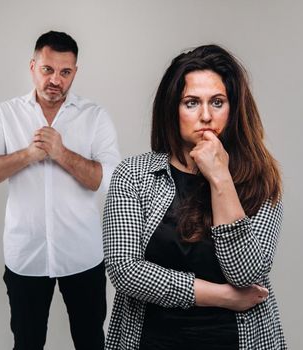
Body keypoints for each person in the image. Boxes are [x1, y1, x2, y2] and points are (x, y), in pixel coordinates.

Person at [102, 44, 285, 350]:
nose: (205, 116)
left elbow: (248, 273)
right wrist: (222, 296)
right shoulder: (134, 175)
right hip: (150, 340)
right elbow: (125, 270)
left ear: (234, 108)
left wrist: (219, 177)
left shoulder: (260, 180)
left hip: (234, 340)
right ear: (172, 109)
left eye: (217, 102)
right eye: (191, 103)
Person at [0, 30, 120, 350]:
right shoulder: (6, 114)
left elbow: (109, 180)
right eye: (48, 69)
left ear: (74, 73)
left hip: (82, 256)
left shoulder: (95, 116)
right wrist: (28, 155)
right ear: (33, 66)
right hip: (26, 256)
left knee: (91, 341)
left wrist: (61, 154)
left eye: (65, 72)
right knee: (27, 343)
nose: (56, 80)